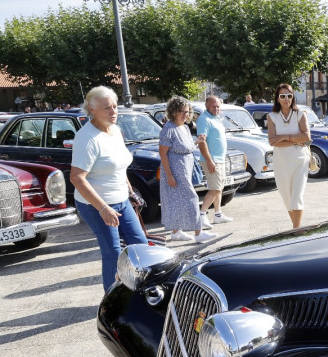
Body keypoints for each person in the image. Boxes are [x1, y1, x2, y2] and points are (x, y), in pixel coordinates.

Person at [70, 86, 147, 290]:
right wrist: (103, 208)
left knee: (140, 245)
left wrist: (130, 192)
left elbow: (120, 167)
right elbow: (77, 178)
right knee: (112, 252)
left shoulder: (115, 131)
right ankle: (111, 300)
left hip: (121, 200)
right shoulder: (87, 138)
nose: (113, 112)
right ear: (92, 110)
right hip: (95, 204)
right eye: (107, 108)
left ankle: (142, 290)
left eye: (114, 106)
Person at [158, 96, 216, 244]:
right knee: (192, 198)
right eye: (181, 111)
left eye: (187, 111)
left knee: (178, 201)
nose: (185, 114)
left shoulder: (184, 127)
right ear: (173, 112)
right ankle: (199, 233)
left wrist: (198, 141)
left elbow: (188, 147)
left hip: (185, 169)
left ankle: (176, 232)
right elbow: (163, 154)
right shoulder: (168, 129)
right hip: (175, 171)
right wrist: (169, 176)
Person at [267, 83, 311, 229]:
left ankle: (296, 229)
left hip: (299, 160)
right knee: (286, 196)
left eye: (289, 96)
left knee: (297, 195)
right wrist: (294, 140)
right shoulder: (272, 117)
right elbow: (273, 141)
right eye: (283, 96)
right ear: (277, 99)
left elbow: (306, 137)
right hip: (281, 161)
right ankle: (296, 226)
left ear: (293, 97)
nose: (286, 99)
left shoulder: (300, 114)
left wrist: (284, 137)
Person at [195, 95, 233, 226]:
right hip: (212, 160)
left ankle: (218, 214)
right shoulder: (204, 119)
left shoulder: (216, 118)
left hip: (219, 159)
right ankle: (202, 215)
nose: (216, 108)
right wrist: (209, 161)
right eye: (213, 106)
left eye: (218, 106)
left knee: (219, 188)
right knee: (215, 188)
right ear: (206, 106)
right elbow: (201, 142)